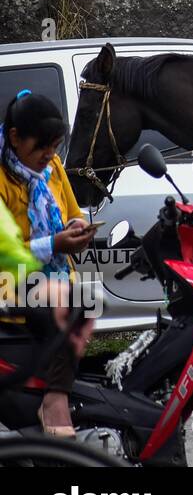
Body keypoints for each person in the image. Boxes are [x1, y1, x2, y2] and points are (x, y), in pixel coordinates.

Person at [0, 90, 95, 436]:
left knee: (87, 298)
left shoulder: (53, 167)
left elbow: (71, 214)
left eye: (54, 146)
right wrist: (54, 243)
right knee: (75, 301)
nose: (49, 155)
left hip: (47, 279)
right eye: (41, 147)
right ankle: (54, 401)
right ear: (14, 138)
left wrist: (76, 228)